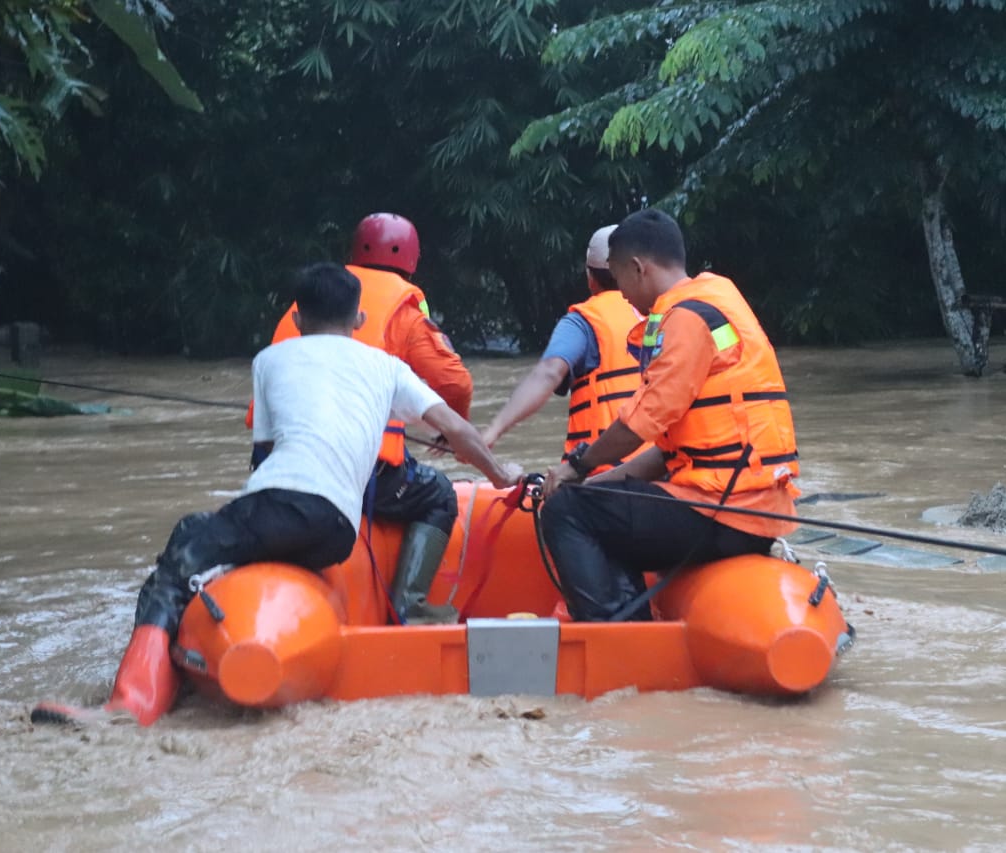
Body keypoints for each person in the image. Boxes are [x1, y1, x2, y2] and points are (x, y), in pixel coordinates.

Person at [35, 263, 519, 726]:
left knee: (182, 548)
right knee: (222, 534)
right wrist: (500, 473)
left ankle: (131, 705)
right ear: (358, 318)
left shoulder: (269, 359)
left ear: (296, 316)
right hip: (337, 532)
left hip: (282, 504)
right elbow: (457, 428)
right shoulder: (388, 367)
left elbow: (263, 459)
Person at [538, 209, 801, 622]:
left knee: (564, 512)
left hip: (722, 510)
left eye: (620, 277)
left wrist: (575, 466)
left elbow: (636, 426)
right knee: (587, 501)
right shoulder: (721, 299)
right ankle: (634, 619)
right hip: (753, 505)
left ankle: (618, 636)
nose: (621, 293)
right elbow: (667, 450)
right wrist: (593, 480)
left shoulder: (685, 319)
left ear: (638, 268)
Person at [248, 213, 473, 625]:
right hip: (369, 472)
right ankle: (411, 605)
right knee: (439, 493)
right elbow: (454, 382)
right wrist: (449, 428)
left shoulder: (301, 309)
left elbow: (258, 428)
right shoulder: (403, 307)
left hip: (284, 476)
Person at [480, 225, 650, 473]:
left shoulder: (582, 323)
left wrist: (493, 430)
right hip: (660, 473)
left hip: (598, 479)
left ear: (590, 277)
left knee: (533, 484)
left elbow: (549, 373)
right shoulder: (665, 315)